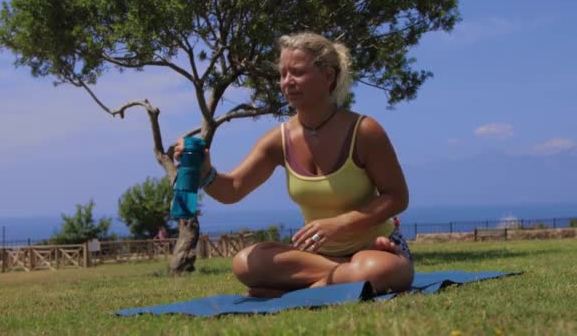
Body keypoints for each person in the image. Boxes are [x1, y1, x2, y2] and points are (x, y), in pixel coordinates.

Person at [174, 32, 413, 298]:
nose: (287, 82)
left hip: (376, 248)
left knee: (379, 270)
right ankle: (343, 275)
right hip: (316, 257)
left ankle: (303, 288)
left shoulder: (364, 131)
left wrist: (340, 224)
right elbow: (232, 190)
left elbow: (397, 197)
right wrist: (205, 170)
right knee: (245, 263)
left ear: (328, 77)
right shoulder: (279, 140)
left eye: (297, 72)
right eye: (282, 74)